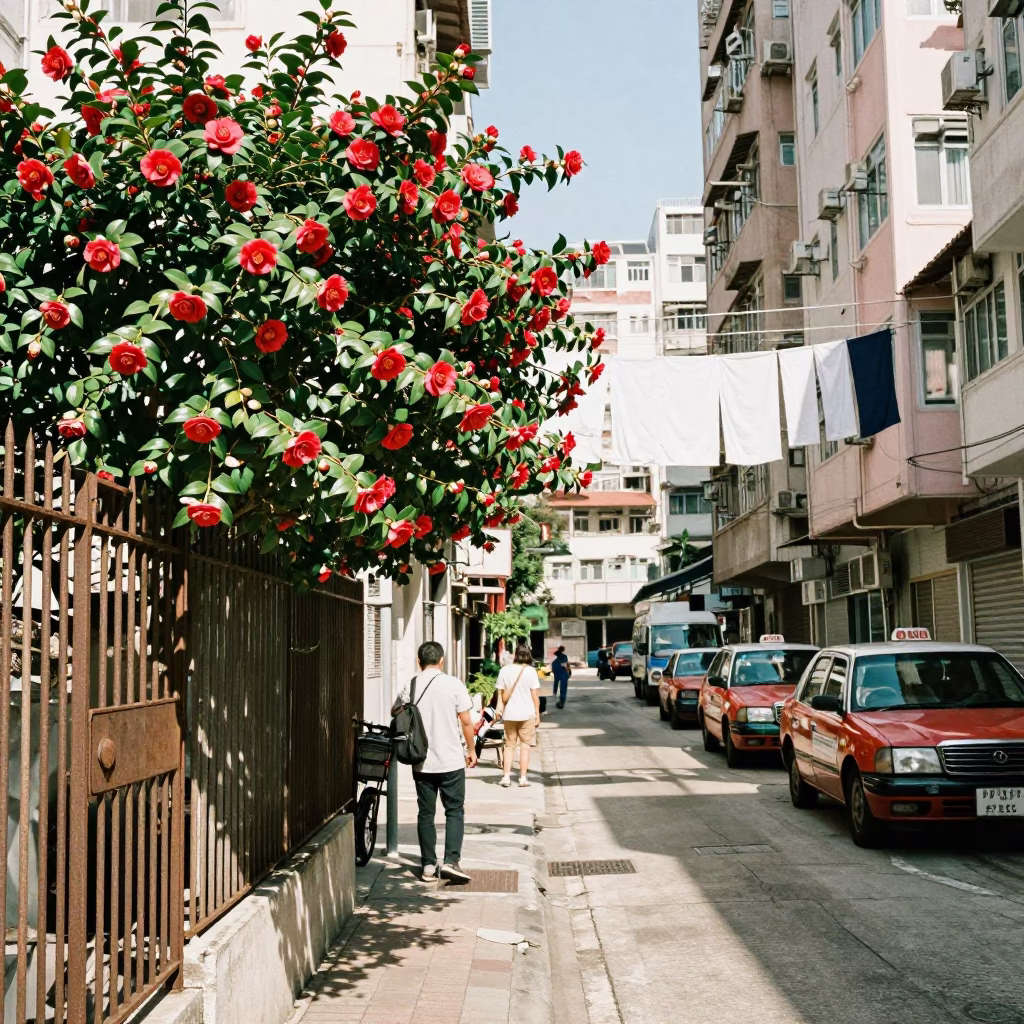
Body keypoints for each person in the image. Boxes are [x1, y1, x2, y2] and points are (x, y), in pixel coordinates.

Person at [394, 641, 476, 883]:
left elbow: (394, 711)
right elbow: (466, 721)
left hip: (421, 762)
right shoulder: (454, 684)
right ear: (442, 660)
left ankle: (428, 865)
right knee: (454, 811)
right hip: (451, 760)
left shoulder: (411, 684)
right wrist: (471, 749)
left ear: (419, 662)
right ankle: (451, 861)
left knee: (425, 813)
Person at [495, 644, 541, 788]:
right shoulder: (531, 672)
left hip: (510, 714)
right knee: (525, 746)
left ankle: (506, 777)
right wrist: (537, 714)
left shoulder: (504, 670)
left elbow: (500, 695)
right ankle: (522, 778)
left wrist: (499, 710)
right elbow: (535, 695)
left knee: (509, 745)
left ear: (515, 655)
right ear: (528, 655)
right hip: (527, 714)